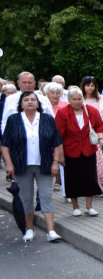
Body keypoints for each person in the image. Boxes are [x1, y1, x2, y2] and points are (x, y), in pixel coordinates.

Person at [1, 91, 64, 242]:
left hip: (45, 165)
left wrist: (55, 162)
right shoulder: (13, 120)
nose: (30, 102)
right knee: (26, 199)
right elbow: (4, 145)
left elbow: (57, 143)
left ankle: (51, 231)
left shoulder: (47, 119)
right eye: (26, 100)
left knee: (46, 197)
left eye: (33, 99)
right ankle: (29, 229)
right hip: (22, 165)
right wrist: (9, 164)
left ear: (38, 103)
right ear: (21, 104)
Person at [55, 86, 103, 217]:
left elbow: (99, 126)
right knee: (72, 179)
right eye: (74, 99)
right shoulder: (63, 113)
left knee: (90, 178)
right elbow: (58, 135)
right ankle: (75, 207)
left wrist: (100, 139)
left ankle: (89, 207)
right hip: (70, 150)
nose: (77, 102)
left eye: (79, 99)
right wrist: (60, 155)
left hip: (88, 150)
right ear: (69, 100)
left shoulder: (91, 110)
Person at [81, 76, 103, 198]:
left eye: (92, 85)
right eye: (88, 85)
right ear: (83, 86)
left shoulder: (101, 98)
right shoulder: (81, 100)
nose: (90, 87)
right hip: (90, 134)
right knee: (98, 161)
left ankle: (99, 186)